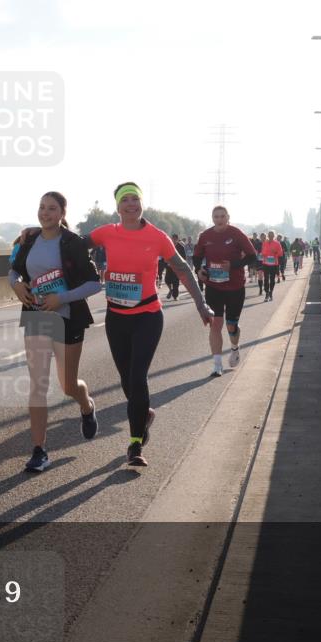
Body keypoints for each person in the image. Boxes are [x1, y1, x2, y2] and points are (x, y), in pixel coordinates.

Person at [88, 184, 212, 466]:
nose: (131, 204)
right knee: (125, 378)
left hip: (147, 316)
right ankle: (144, 413)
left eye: (136, 199)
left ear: (142, 204)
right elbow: (72, 242)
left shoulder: (157, 236)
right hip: (116, 316)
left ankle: (135, 444)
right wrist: (36, 233)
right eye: (125, 200)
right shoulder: (106, 233)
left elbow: (182, 268)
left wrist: (201, 303)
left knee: (137, 376)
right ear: (118, 207)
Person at [10, 192, 101, 472]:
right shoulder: (28, 239)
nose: (45, 213)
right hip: (36, 318)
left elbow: (94, 284)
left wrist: (62, 298)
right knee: (38, 385)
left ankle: (86, 406)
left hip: (67, 319)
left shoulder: (72, 243)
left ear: (62, 213)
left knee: (67, 385)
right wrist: (16, 285)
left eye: (52, 209)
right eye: (42, 207)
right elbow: (14, 272)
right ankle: (39, 449)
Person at [193, 206, 257, 377]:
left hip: (235, 287)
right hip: (214, 287)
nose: (219, 219)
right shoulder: (205, 236)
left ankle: (235, 348)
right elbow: (197, 257)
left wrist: (233, 266)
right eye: (216, 216)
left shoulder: (237, 234)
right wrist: (198, 270)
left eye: (222, 216)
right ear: (212, 218)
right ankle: (217, 364)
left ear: (228, 217)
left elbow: (252, 256)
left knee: (231, 325)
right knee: (215, 324)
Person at [260, 230, 283, 301]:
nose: (270, 236)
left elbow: (280, 253)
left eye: (272, 235)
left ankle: (271, 293)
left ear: (274, 236)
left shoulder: (277, 243)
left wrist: (275, 253)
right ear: (268, 236)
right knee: (266, 279)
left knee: (272, 279)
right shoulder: (264, 243)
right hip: (265, 263)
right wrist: (263, 255)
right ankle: (267, 293)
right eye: (269, 235)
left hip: (274, 264)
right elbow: (262, 252)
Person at [163, 232, 186, 300]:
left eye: (175, 239)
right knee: (167, 280)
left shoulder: (181, 247)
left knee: (175, 282)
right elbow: (165, 254)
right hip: (169, 266)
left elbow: (184, 257)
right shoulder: (169, 245)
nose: (174, 240)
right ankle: (171, 290)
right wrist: (165, 262)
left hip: (177, 267)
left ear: (177, 239)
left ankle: (175, 296)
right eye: (173, 239)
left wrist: (180, 265)